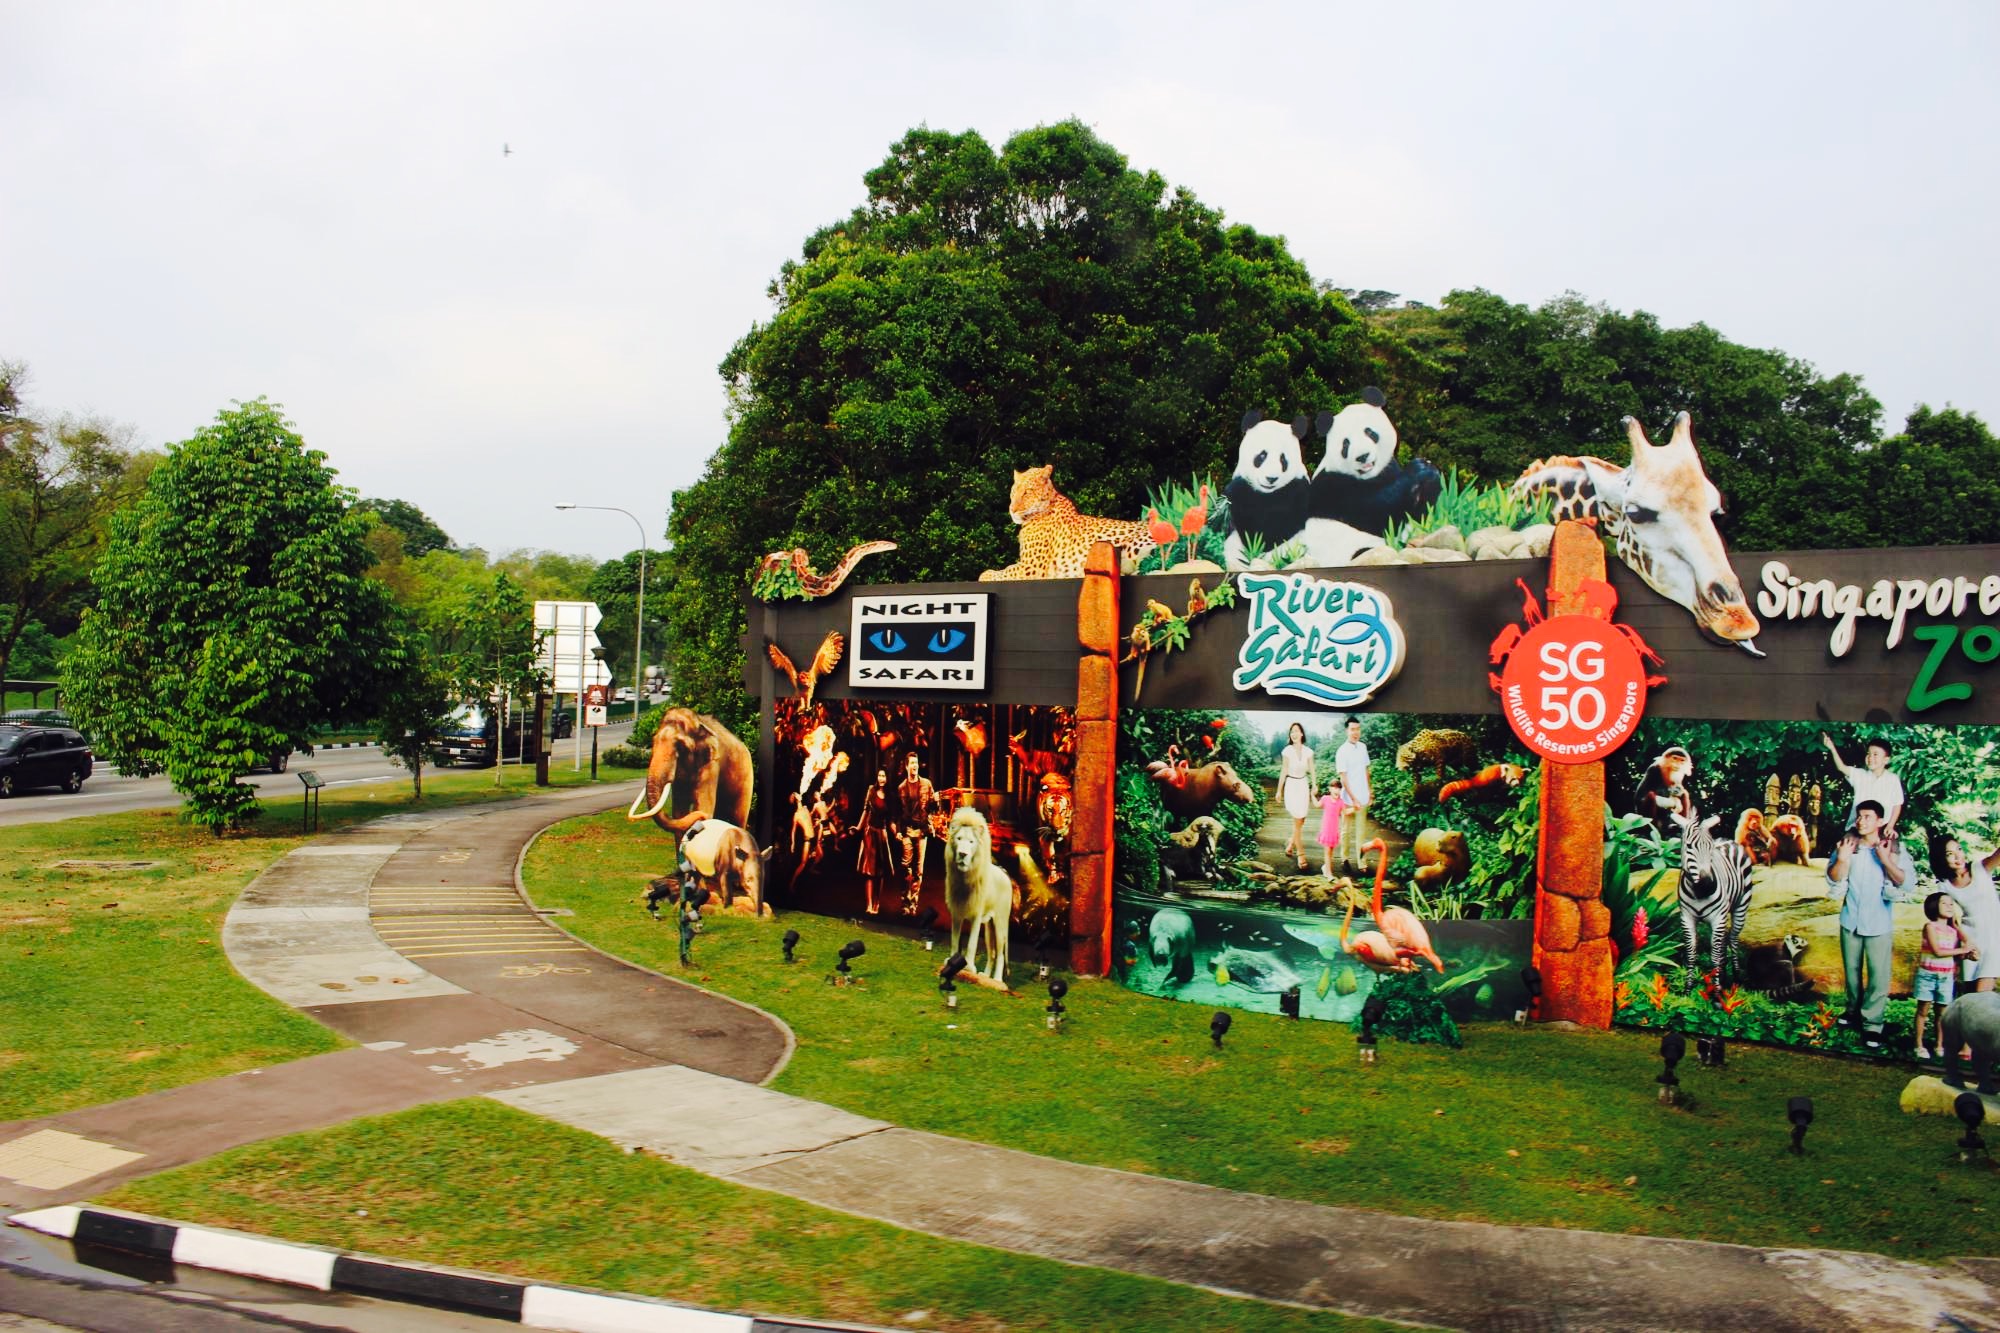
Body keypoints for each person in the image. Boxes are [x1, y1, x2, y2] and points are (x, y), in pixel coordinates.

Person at [1825, 799, 1910, 1049]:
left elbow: (1904, 882)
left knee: (1878, 975)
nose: (1861, 821)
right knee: (1851, 972)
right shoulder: (1848, 845)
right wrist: (1842, 859)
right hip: (1850, 919)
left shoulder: (1891, 847)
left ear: (1880, 821)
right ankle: (1852, 1012)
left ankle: (1873, 1024)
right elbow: (1833, 878)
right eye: (1859, 816)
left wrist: (1885, 860)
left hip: (1879, 923)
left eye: (1868, 816)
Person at [1914, 890, 1978, 1061]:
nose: (1950, 907)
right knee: (1923, 1010)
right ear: (1934, 906)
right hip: (1927, 974)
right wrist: (1963, 950)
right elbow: (1938, 951)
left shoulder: (1952, 931)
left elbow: (1962, 949)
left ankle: (1939, 1045)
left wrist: (1957, 927)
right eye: (1944, 903)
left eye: (1951, 904)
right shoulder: (1930, 927)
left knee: (1942, 1013)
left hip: (1945, 976)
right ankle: (1919, 1045)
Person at [1935, 835, 2000, 997]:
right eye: (1950, 854)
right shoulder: (1945, 885)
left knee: (1982, 994)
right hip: (1970, 939)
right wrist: (1966, 943)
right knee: (1969, 995)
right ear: (1942, 859)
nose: (1958, 856)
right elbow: (1951, 920)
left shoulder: (1980, 868)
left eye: (1959, 849)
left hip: (1994, 937)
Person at [1822, 733, 1905, 835]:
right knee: (1846, 847)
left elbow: (1897, 804)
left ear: (1886, 759)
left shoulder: (1893, 779)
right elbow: (1841, 767)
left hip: (1881, 829)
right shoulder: (1860, 774)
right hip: (1857, 827)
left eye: (1875, 754)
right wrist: (1832, 748)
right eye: (1868, 754)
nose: (1870, 757)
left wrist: (1890, 826)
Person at [894, 751, 935, 913]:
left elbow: (932, 806)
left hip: (922, 830)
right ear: (906, 766)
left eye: (916, 763)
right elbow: (898, 812)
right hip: (907, 829)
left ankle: (913, 904)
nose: (914, 766)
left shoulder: (926, 784)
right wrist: (898, 830)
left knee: (919, 870)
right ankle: (905, 901)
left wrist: (934, 805)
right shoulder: (901, 788)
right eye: (911, 763)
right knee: (906, 867)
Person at [1334, 717, 1372, 872]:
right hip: (1348, 799)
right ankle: (1344, 859)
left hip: (1363, 796)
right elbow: (1343, 778)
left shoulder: (1363, 747)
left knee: (1361, 831)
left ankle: (1362, 862)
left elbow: (1366, 771)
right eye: (1352, 729)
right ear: (1346, 731)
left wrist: (1370, 792)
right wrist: (1354, 799)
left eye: (1358, 729)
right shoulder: (1342, 751)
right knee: (1346, 830)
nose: (1356, 732)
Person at [855, 766, 894, 914]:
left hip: (882, 834)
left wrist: (897, 833)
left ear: (887, 778)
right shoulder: (871, 790)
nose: (881, 778)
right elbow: (865, 810)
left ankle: (877, 904)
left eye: (884, 776)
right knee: (869, 872)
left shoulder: (890, 795)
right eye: (879, 776)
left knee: (881, 872)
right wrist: (858, 828)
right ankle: (869, 904)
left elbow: (891, 820)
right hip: (870, 833)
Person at [1277, 722, 1314, 872]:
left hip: (1303, 784)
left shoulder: (1308, 752)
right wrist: (1279, 790)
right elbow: (1284, 771)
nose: (1294, 734)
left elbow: (1312, 769)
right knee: (1297, 821)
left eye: (1296, 731)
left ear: (1302, 734)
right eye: (1291, 732)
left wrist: (1315, 785)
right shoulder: (1287, 751)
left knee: (1301, 820)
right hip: (1292, 785)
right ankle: (1301, 854)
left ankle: (1291, 844)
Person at [1315, 774, 1345, 879]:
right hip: (1326, 829)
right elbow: (1317, 805)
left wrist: (1355, 808)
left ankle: (1325, 868)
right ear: (1330, 789)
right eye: (1334, 788)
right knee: (1327, 851)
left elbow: (1346, 812)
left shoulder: (1340, 802)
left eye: (1339, 788)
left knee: (1331, 851)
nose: (1336, 790)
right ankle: (1328, 873)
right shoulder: (1325, 799)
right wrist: (1312, 795)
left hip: (1334, 830)